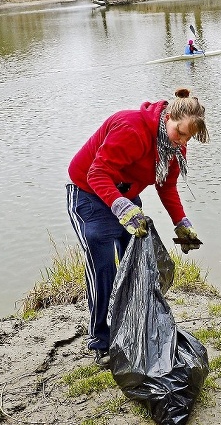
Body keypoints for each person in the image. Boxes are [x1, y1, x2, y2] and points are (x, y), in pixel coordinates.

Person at [66, 88, 208, 368]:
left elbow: (166, 186)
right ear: (168, 116)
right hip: (89, 194)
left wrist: (182, 224)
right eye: (180, 133)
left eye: (188, 138)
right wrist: (121, 208)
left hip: (126, 195)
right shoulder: (132, 129)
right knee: (104, 267)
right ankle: (100, 340)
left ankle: (130, 328)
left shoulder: (174, 146)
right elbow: (97, 173)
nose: (182, 141)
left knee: (136, 265)